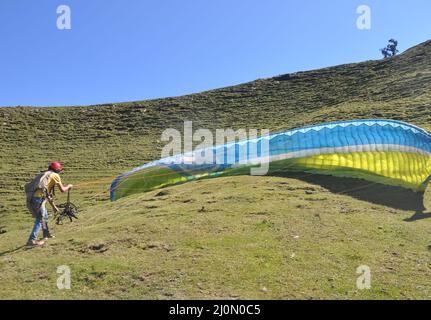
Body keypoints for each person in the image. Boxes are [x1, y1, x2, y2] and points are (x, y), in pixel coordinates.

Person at [26, 162, 73, 247]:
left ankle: (46, 234)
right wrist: (69, 186)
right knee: (40, 218)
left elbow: (48, 194)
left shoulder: (45, 175)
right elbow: (62, 190)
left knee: (45, 216)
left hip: (34, 198)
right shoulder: (55, 175)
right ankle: (31, 240)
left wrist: (54, 207)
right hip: (38, 199)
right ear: (57, 170)